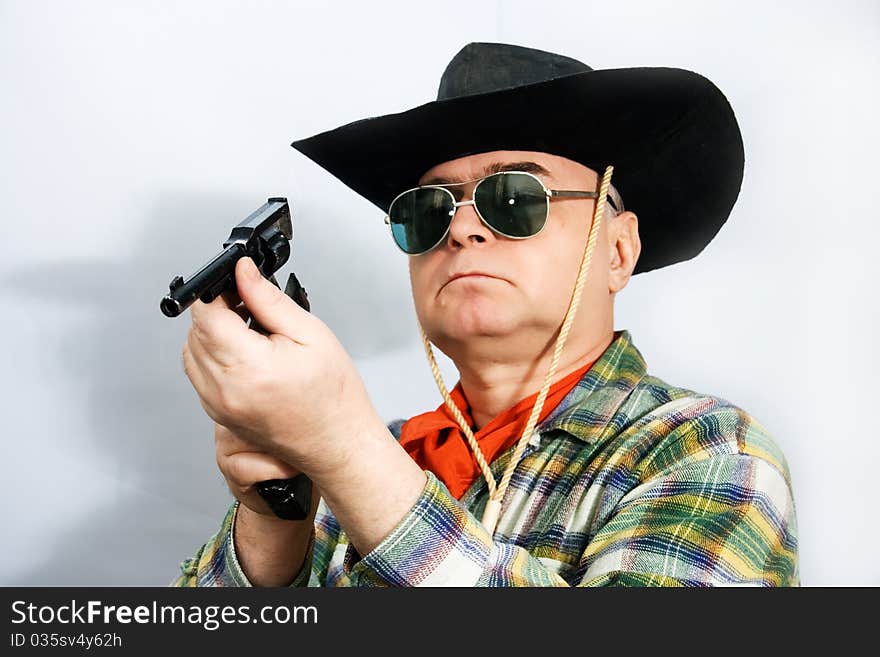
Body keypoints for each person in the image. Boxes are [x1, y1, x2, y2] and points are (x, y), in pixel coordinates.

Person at [172, 42, 798, 587]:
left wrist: (344, 451)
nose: (463, 227)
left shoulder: (709, 451)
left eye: (516, 197)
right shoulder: (372, 455)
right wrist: (271, 524)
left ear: (616, 249)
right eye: (428, 210)